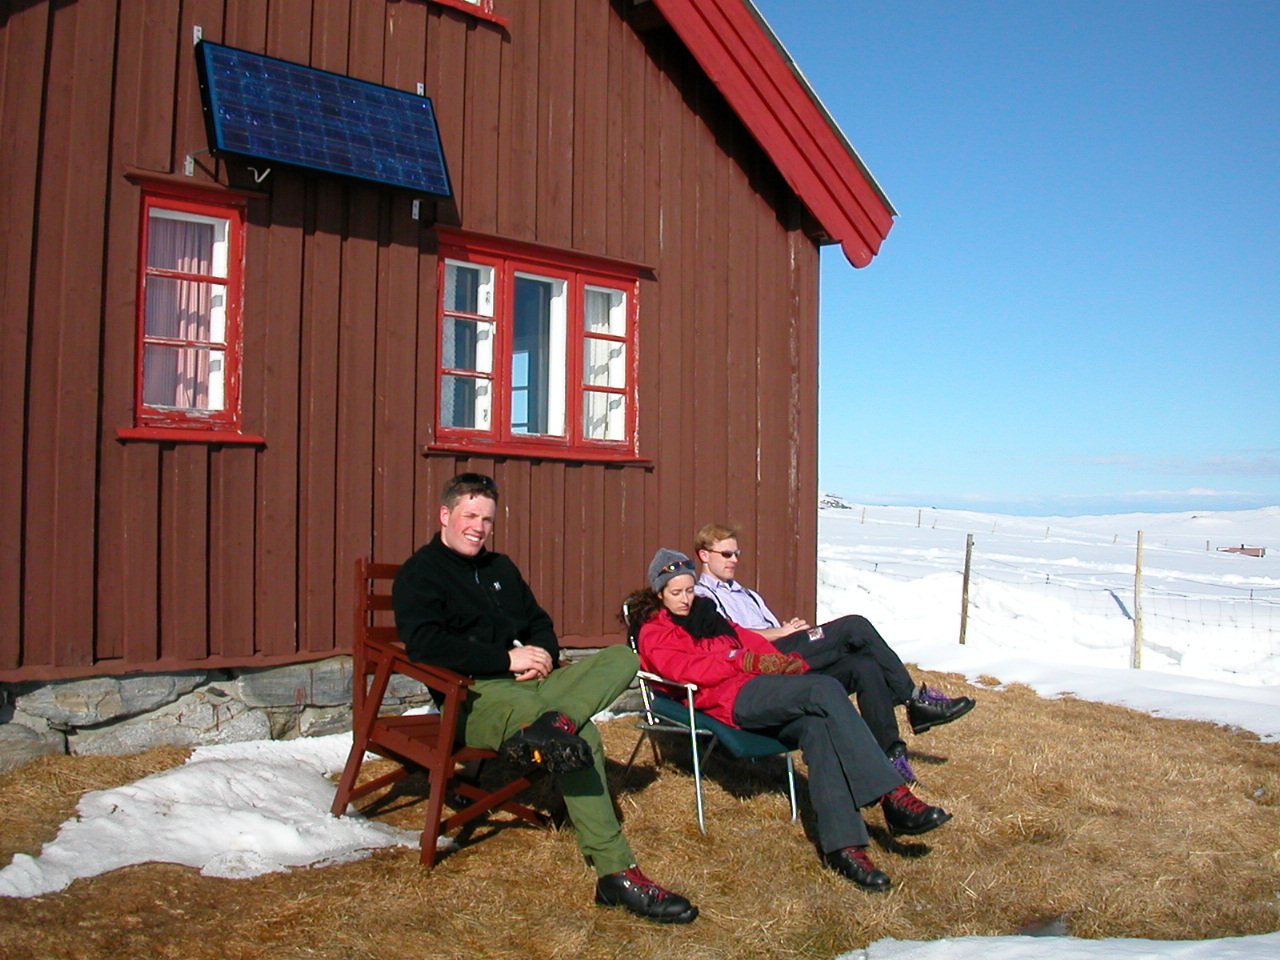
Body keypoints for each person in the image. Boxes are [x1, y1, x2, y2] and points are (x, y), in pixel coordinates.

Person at [393, 473, 698, 924]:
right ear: (445, 514)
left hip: (534, 683)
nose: (478, 527)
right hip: (475, 697)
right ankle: (616, 872)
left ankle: (556, 723)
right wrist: (505, 659)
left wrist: (543, 655)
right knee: (583, 738)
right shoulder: (421, 573)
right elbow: (426, 645)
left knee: (622, 657)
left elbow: (538, 621)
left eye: (487, 519)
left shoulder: (500, 568)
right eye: (470, 516)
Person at [627, 548, 953, 892]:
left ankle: (844, 848)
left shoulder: (707, 615)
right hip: (728, 700)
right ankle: (892, 794)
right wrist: (740, 661)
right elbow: (684, 669)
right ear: (659, 592)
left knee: (818, 726)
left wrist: (781, 662)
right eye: (676, 592)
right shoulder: (654, 630)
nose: (685, 599)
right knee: (824, 689)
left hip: (760, 686)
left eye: (690, 589)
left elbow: (748, 642)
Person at [692, 522, 975, 784]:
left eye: (737, 554)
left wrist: (791, 631)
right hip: (758, 666)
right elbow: (729, 642)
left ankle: (891, 755)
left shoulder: (746, 594)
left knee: (864, 665)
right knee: (854, 626)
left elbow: (772, 628)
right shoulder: (703, 597)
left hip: (784, 654)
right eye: (726, 554)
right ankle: (914, 699)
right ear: (704, 555)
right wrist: (780, 633)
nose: (734, 560)